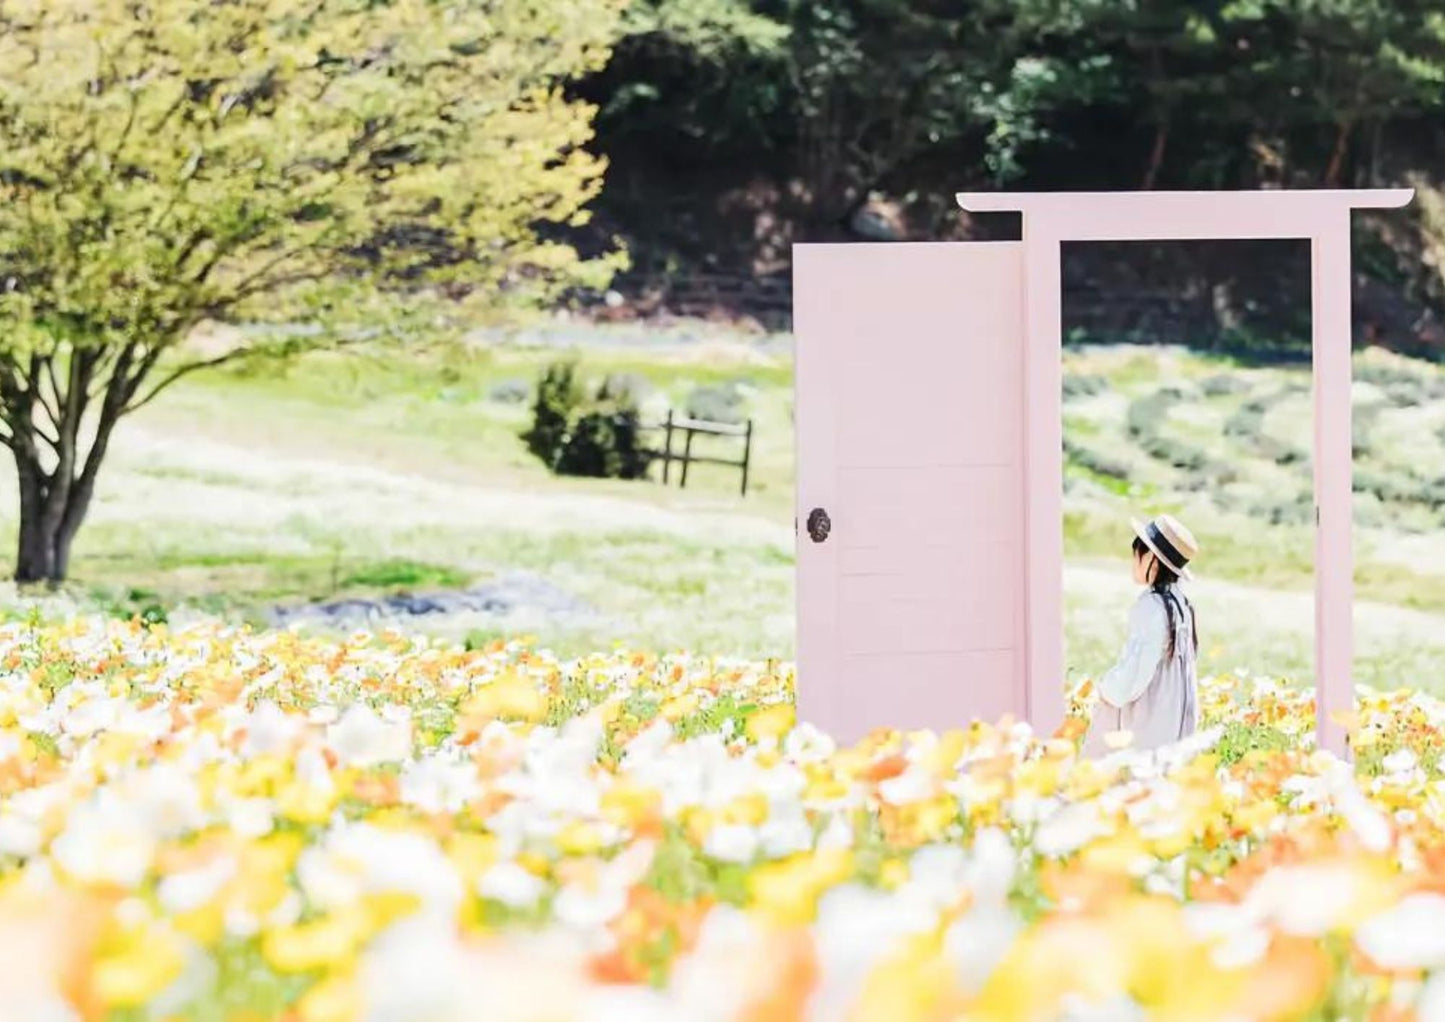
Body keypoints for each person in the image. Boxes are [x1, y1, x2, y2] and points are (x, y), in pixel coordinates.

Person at [1084, 514, 1200, 755]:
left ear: (1150, 559)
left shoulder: (1152, 607)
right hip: (1175, 716)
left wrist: (1106, 689)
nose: (1132, 562)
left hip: (1151, 719)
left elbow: (1135, 672)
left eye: (1136, 555)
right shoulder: (1180, 603)